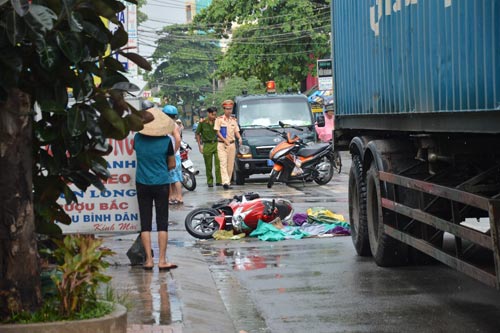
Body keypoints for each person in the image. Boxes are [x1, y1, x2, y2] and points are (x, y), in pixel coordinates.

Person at [134, 100, 178, 271]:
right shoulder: (166, 141)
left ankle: (149, 261)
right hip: (161, 184)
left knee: (145, 222)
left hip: (142, 183)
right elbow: (172, 164)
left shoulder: (137, 138)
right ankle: (162, 260)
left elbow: (137, 153)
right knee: (162, 222)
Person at [214, 99, 242, 190]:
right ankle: (225, 182)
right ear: (224, 109)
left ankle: (228, 182)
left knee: (230, 165)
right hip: (222, 144)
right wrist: (224, 140)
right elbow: (217, 132)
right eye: (226, 109)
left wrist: (239, 138)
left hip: (232, 144)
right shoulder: (219, 120)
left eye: (230, 109)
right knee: (223, 163)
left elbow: (236, 131)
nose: (228, 110)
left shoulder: (233, 120)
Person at [195, 106, 222, 187]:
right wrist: (200, 146)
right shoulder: (202, 123)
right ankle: (210, 181)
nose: (214, 116)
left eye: (215, 114)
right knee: (208, 164)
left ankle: (218, 181)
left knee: (219, 163)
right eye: (213, 114)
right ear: (208, 113)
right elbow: (197, 134)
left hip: (216, 144)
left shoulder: (218, 121)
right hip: (207, 144)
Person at [163, 105, 184, 205]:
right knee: (174, 177)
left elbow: (178, 140)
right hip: (175, 154)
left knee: (174, 177)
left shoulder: (171, 125)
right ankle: (173, 196)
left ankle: (178, 196)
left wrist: (173, 152)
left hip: (173, 155)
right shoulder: (175, 124)